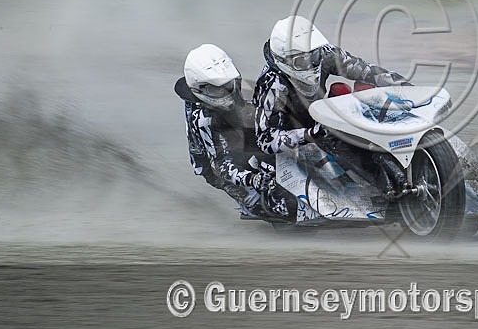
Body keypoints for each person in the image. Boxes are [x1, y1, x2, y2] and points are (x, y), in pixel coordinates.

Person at [253, 15, 411, 207]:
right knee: (334, 137)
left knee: (350, 92)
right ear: (283, 61)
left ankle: (397, 150)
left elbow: (364, 70)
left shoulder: (325, 54)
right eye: (302, 61)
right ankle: (380, 189)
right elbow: (264, 139)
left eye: (314, 56)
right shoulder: (271, 84)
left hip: (320, 116)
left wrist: (399, 83)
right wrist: (309, 134)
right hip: (295, 137)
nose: (312, 63)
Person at [174, 43, 290, 220]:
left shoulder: (236, 89)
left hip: (236, 129)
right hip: (218, 163)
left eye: (227, 85)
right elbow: (220, 166)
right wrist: (252, 179)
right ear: (199, 89)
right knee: (276, 209)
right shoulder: (204, 120)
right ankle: (254, 205)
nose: (224, 92)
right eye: (215, 89)